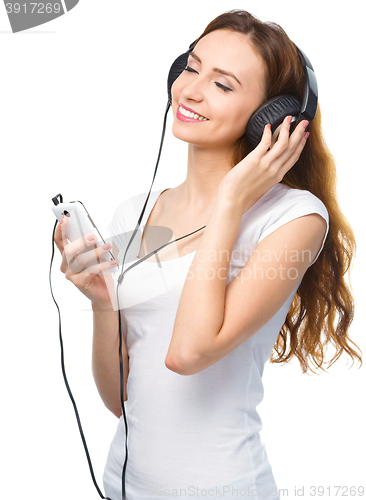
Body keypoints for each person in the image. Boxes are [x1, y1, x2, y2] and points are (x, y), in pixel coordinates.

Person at [54, 10, 362, 500]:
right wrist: (101, 302)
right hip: (122, 487)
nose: (190, 90)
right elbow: (122, 401)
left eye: (223, 85)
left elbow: (189, 353)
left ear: (273, 118)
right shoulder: (137, 214)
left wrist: (231, 201)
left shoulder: (294, 219)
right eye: (191, 68)